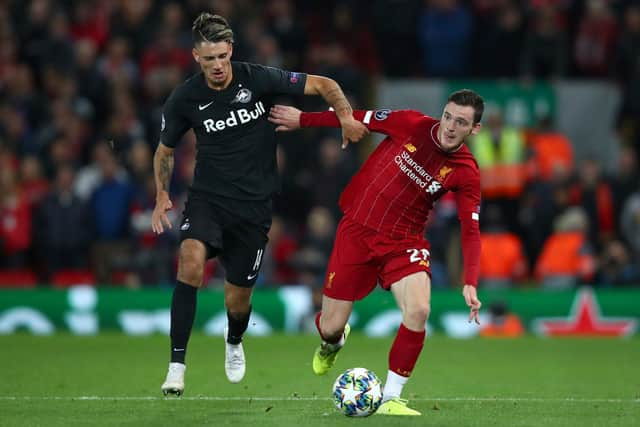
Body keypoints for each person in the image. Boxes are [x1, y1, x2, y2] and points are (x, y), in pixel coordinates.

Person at [153, 13, 368, 396]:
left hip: (253, 207)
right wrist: (160, 196)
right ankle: (176, 366)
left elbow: (323, 83)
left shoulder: (258, 78)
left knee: (237, 301)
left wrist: (346, 117)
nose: (217, 66)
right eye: (208, 59)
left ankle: (234, 340)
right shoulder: (185, 97)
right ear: (195, 58)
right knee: (189, 263)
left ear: (231, 51)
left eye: (222, 56)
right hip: (207, 200)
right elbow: (164, 150)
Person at [268, 89, 484, 416]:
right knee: (329, 326)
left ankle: (391, 398)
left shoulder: (466, 171)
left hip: (404, 242)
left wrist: (470, 280)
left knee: (419, 310)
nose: (451, 126)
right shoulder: (411, 123)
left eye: (462, 122)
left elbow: (470, 230)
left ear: (474, 129)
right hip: (358, 230)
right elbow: (358, 118)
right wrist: (303, 119)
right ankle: (333, 343)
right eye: (449, 116)